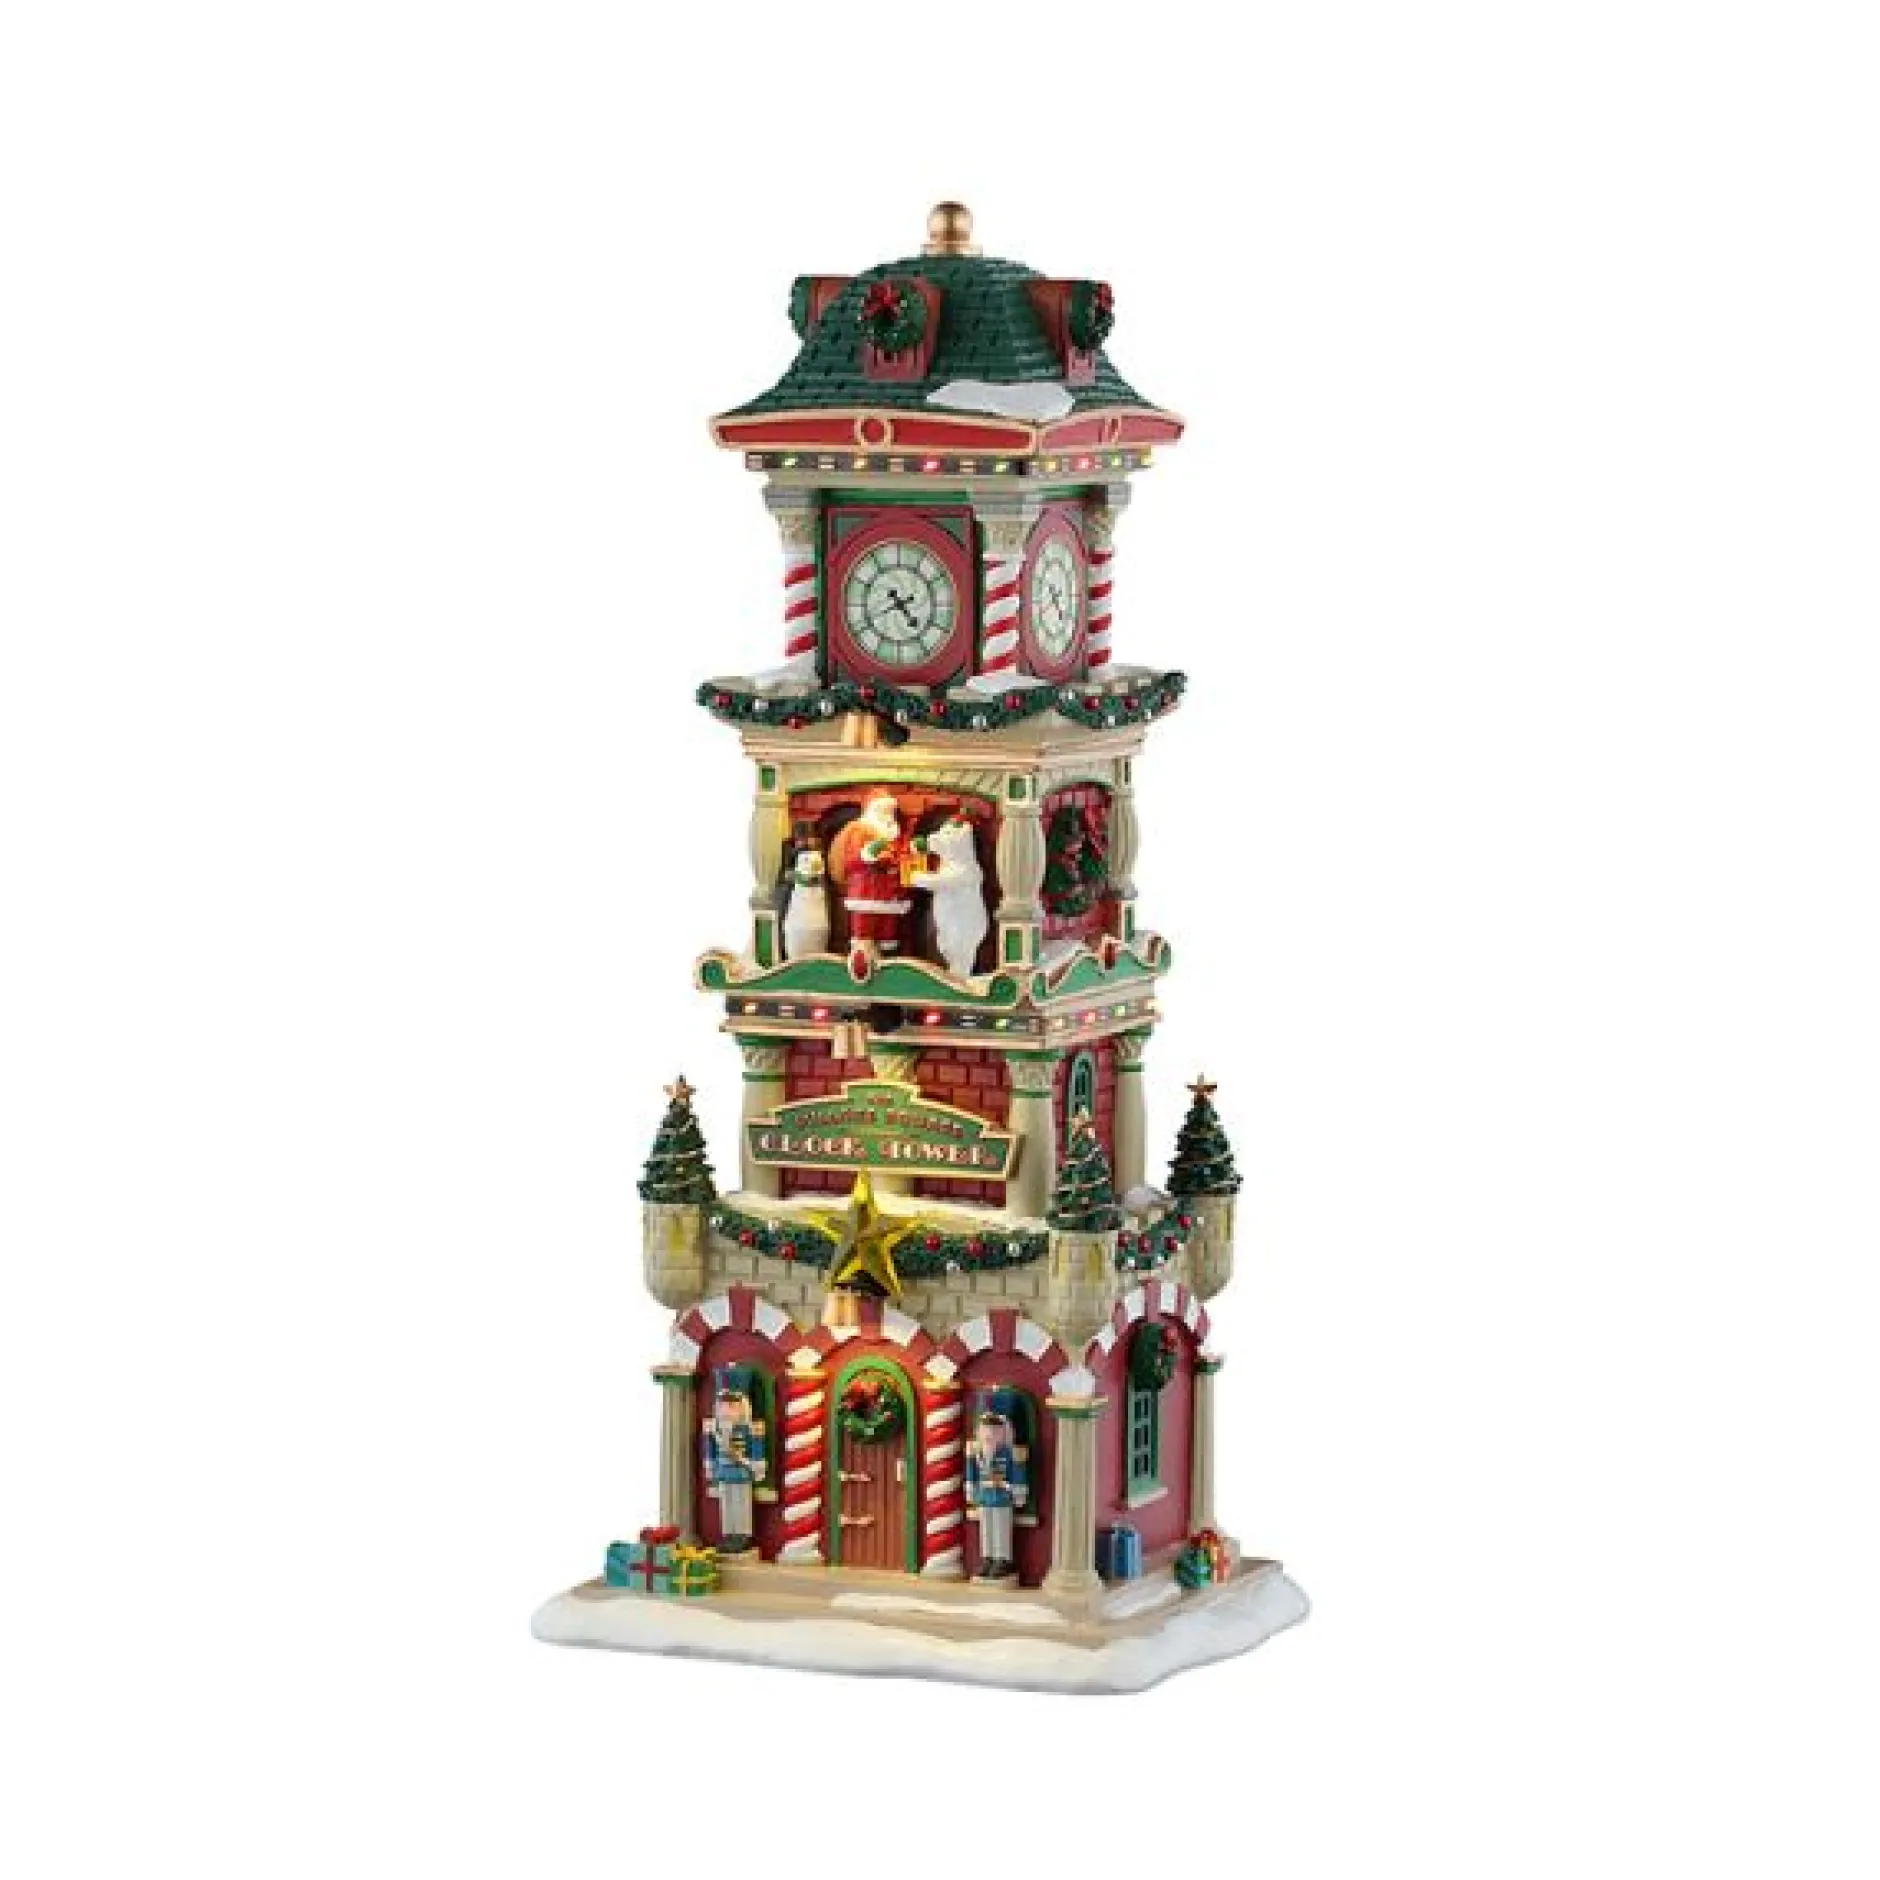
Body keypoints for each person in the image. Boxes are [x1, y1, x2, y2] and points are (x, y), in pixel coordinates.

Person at [828, 793, 914, 968]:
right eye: (884, 810)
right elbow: (851, 861)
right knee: (863, 937)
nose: (888, 816)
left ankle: (887, 969)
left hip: (890, 896)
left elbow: (901, 857)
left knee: (888, 938)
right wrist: (868, 855)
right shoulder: (858, 830)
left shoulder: (895, 835)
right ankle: (861, 970)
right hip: (865, 893)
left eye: (891, 811)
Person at [964, 1406, 1028, 1581]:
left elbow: (1017, 1474)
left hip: (1002, 1497)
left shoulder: (1008, 1453)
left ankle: (1002, 1559)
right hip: (985, 1497)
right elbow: (972, 1474)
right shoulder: (979, 1453)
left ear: (1002, 1432)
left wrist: (1017, 1492)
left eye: (994, 1430)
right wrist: (971, 1490)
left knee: (1001, 1528)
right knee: (986, 1529)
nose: (989, 1434)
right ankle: (988, 1558)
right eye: (986, 1430)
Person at [702, 1383, 766, 1554]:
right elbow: (711, 1451)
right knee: (726, 1504)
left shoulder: (747, 1429)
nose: (726, 1410)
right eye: (723, 1406)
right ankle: (728, 1534)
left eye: (732, 1406)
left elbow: (757, 1450)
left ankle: (743, 1536)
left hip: (741, 1471)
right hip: (724, 1471)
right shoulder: (715, 1430)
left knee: (741, 1503)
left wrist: (752, 1465)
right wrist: (711, 1467)